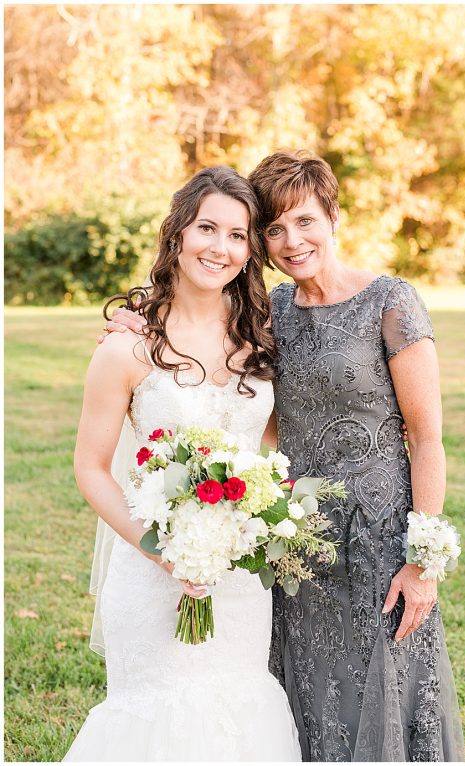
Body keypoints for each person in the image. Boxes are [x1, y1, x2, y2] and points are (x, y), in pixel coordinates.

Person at [110, 152, 465, 760]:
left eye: (304, 221)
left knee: (386, 686)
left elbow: (426, 436)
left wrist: (423, 560)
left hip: (381, 538)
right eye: (273, 230)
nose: (292, 241)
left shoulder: (391, 303)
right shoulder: (271, 314)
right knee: (305, 690)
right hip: (294, 535)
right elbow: (193, 319)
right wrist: (127, 317)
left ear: (332, 216)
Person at [66, 167, 301, 760]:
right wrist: (161, 549)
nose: (220, 248)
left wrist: (250, 513)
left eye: (238, 235)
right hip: (151, 573)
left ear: (250, 251)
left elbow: (269, 441)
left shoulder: (262, 337)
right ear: (176, 234)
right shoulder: (127, 346)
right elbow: (91, 468)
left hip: (240, 577)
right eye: (207, 228)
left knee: (239, 712)